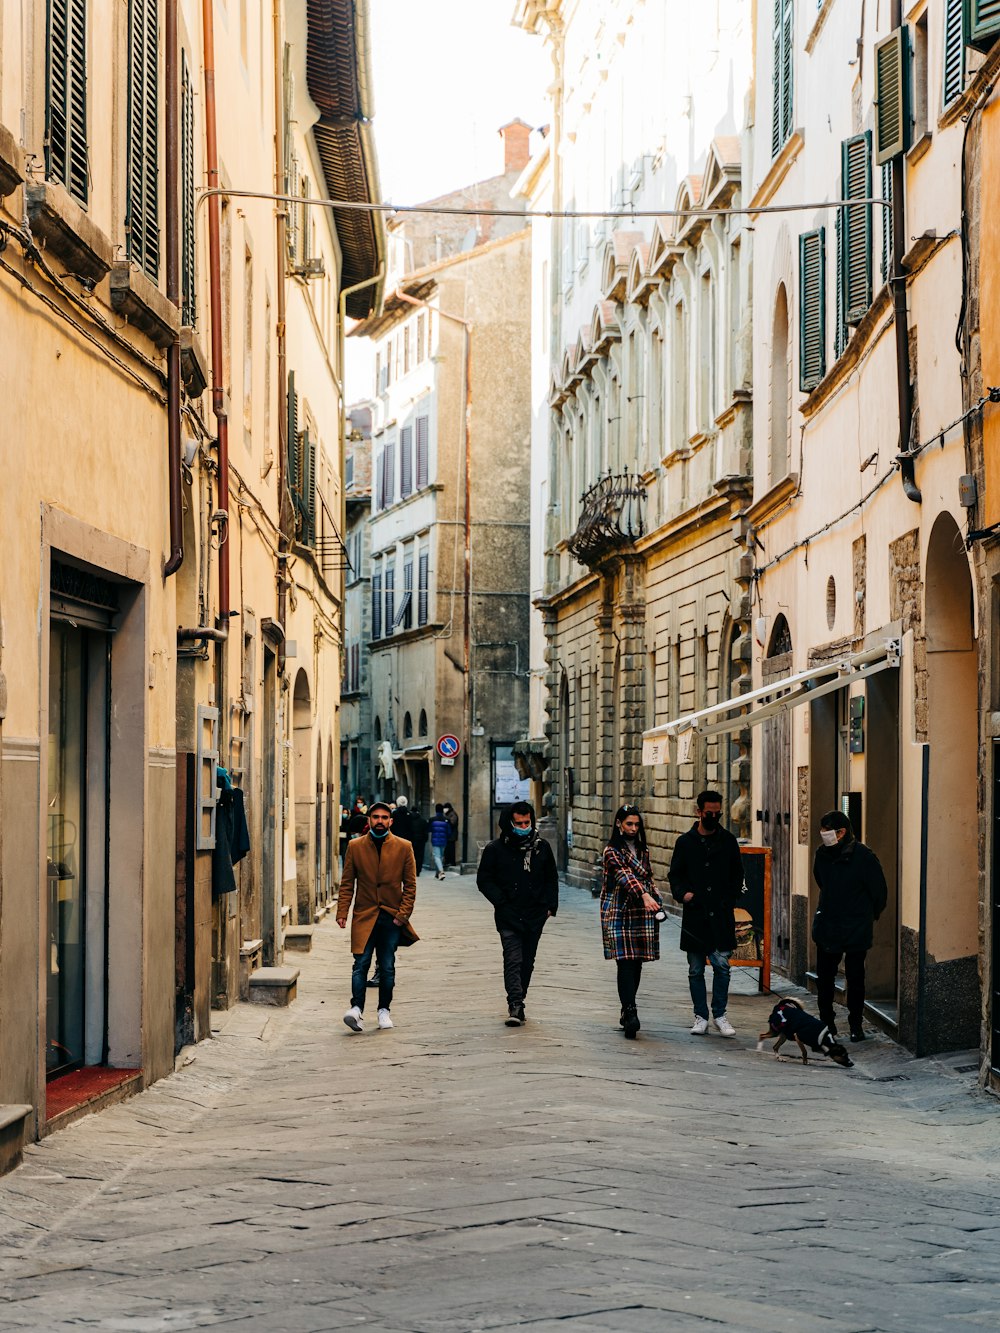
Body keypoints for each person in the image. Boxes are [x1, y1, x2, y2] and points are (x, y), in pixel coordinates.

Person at [669, 790, 745, 1038]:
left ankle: (720, 1015)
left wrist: (730, 897)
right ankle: (700, 1016)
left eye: (717, 812)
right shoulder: (685, 842)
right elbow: (675, 875)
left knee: (722, 967)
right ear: (699, 811)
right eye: (709, 812)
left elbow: (738, 873)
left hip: (721, 915)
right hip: (696, 915)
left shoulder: (728, 840)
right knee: (695, 969)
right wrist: (683, 894)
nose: (714, 816)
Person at [337, 800, 418, 1033]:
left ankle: (384, 1011)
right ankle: (356, 1009)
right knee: (360, 964)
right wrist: (343, 911)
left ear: (390, 821)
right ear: (369, 820)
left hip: (391, 917)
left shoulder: (404, 847)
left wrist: (402, 916)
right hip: (364, 915)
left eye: (384, 818)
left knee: (387, 967)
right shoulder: (355, 846)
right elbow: (346, 883)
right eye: (376, 818)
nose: (380, 821)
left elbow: (410, 885)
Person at [477, 802, 559, 1026]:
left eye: (527, 822)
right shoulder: (495, 849)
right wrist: (501, 901)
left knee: (527, 961)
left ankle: (520, 996)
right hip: (508, 914)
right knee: (513, 958)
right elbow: (484, 880)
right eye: (519, 823)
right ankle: (515, 1004)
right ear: (509, 823)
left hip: (535, 913)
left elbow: (551, 877)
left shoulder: (542, 847)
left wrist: (550, 905)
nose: (524, 826)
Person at [812, 810, 888, 1042]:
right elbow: (821, 881)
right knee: (824, 978)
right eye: (822, 830)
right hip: (828, 924)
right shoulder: (822, 854)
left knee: (856, 978)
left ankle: (856, 1024)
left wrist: (866, 917)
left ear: (842, 832)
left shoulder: (864, 856)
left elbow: (879, 892)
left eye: (827, 830)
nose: (823, 834)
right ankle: (827, 1023)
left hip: (856, 926)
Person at [601, 805, 662, 1039]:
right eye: (629, 824)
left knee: (637, 961)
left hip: (642, 911)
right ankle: (630, 1010)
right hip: (618, 909)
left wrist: (655, 894)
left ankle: (628, 1007)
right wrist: (645, 895)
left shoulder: (643, 849)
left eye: (637, 824)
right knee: (625, 961)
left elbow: (648, 875)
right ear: (619, 823)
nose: (634, 828)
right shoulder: (611, 851)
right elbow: (625, 875)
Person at [428, 804, 450, 879]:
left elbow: (430, 829)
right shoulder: (446, 819)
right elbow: (449, 832)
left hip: (435, 840)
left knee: (437, 856)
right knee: (440, 856)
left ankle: (441, 872)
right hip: (444, 841)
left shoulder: (432, 819)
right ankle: (437, 874)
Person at [408, 806, 428, 873]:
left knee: (411, 855)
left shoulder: (409, 820)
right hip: (421, 840)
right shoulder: (423, 820)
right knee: (420, 855)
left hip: (411, 840)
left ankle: (412, 870)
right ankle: (418, 870)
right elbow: (425, 832)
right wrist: (425, 839)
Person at [443, 801, 459, 866]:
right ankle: (448, 861)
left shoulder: (452, 814)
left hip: (452, 835)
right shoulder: (449, 814)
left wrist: (447, 820)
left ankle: (452, 862)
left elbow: (453, 823)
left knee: (451, 849)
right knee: (448, 849)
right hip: (449, 835)